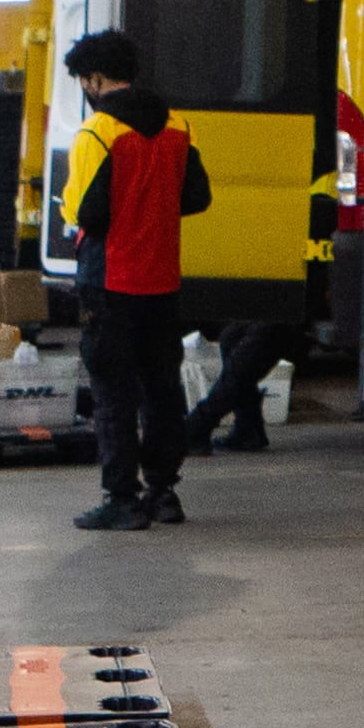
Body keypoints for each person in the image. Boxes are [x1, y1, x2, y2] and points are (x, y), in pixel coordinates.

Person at [57, 28, 211, 530]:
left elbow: (86, 212)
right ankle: (164, 492)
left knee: (113, 394)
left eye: (84, 79)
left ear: (96, 78)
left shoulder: (97, 134)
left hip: (111, 282)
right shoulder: (178, 128)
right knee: (162, 389)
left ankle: (121, 498)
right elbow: (197, 198)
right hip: (162, 280)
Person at [186, 177, 332, 456]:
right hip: (287, 277)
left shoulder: (324, 187)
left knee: (254, 348)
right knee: (232, 338)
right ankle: (248, 428)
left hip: (306, 285)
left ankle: (198, 425)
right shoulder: (305, 181)